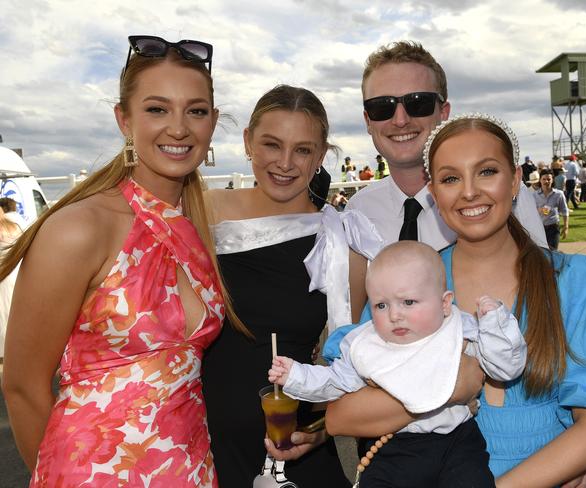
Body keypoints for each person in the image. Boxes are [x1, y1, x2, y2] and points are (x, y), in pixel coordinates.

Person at [327, 113, 586, 487]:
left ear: (514, 181)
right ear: (434, 193)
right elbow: (342, 415)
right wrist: (454, 386)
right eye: (450, 178)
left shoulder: (573, 280)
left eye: (486, 172)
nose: (468, 192)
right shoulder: (409, 281)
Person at [1, 35, 226, 486]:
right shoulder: (80, 228)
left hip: (188, 468)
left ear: (213, 123)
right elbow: (23, 386)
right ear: (124, 119)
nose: (179, 128)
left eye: (196, 111)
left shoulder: (196, 227)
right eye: (157, 109)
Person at [201, 85, 381, 487]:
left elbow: (347, 366)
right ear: (248, 141)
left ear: (320, 156)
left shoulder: (339, 241)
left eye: (302, 149)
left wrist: (318, 432)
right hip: (203, 450)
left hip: (292, 455)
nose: (285, 163)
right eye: (271, 144)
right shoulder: (202, 210)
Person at [271, 241, 525, 488]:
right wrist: (296, 374)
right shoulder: (366, 344)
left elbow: (505, 367)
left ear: (445, 303)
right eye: (381, 305)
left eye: (408, 302)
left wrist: (495, 325)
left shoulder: (460, 329)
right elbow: (334, 380)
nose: (394, 315)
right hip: (394, 446)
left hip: (458, 443)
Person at [345, 40, 547, 252]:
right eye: (381, 107)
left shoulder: (502, 198)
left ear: (443, 113)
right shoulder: (358, 211)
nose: (400, 120)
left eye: (418, 102)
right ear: (368, 120)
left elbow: (541, 276)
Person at [0, 208, 21, 360]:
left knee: (3, 311)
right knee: (12, 310)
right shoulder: (15, 226)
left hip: (3, 274)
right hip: (15, 272)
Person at [533, 169, 569, 251]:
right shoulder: (534, 195)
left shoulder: (559, 194)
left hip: (553, 228)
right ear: (540, 180)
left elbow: (564, 211)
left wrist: (566, 226)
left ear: (552, 180)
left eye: (549, 179)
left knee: (553, 252)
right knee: (541, 253)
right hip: (539, 229)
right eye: (544, 179)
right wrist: (539, 210)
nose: (546, 181)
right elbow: (529, 212)